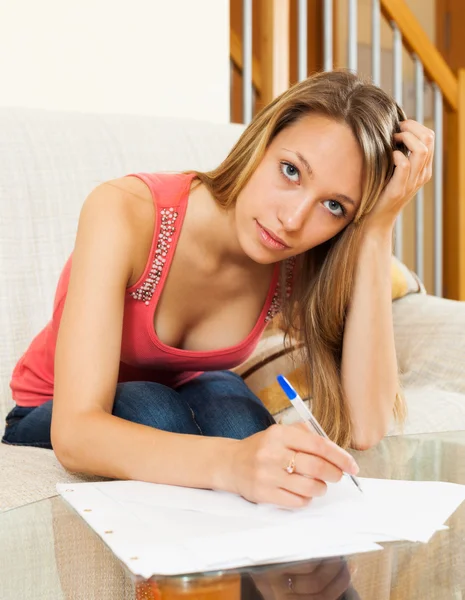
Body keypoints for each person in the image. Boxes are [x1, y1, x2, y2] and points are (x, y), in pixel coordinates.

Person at [2, 70, 434, 508]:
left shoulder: (299, 261)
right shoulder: (124, 211)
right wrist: (232, 465)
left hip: (191, 387)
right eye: (290, 171)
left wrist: (379, 227)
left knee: (242, 424)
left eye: (334, 206)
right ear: (259, 142)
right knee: (157, 411)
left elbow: (365, 426)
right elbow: (76, 433)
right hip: (54, 407)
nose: (294, 219)